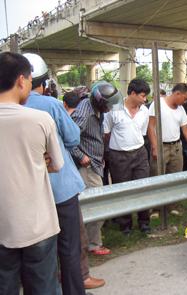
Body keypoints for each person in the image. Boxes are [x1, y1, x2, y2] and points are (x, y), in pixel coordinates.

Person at [0, 52, 63, 295]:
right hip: (38, 225)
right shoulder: (40, 119)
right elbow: (57, 164)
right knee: (43, 287)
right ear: (21, 80)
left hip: (3, 226)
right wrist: (37, 161)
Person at [23, 53, 86, 295]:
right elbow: (72, 138)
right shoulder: (49, 105)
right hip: (61, 189)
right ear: (43, 81)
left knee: (39, 253)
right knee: (69, 248)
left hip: (28, 193)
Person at [71, 81, 122, 256]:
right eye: (108, 104)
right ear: (100, 102)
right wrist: (81, 156)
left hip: (95, 163)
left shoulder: (95, 109)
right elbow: (68, 139)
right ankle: (91, 243)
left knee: (95, 205)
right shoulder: (84, 114)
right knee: (97, 205)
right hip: (87, 166)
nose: (110, 107)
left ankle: (89, 242)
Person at [103, 78, 151, 235]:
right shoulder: (114, 110)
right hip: (119, 155)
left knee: (143, 187)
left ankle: (144, 221)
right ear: (132, 93)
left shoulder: (144, 111)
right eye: (143, 96)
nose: (145, 100)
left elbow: (142, 133)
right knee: (122, 190)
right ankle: (125, 225)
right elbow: (106, 133)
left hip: (140, 153)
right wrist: (109, 153)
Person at [148, 83, 187, 175]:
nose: (185, 101)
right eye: (185, 98)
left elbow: (186, 130)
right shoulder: (158, 104)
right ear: (177, 94)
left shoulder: (181, 109)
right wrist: (155, 147)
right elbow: (150, 126)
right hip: (161, 147)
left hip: (176, 148)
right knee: (157, 177)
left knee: (175, 178)